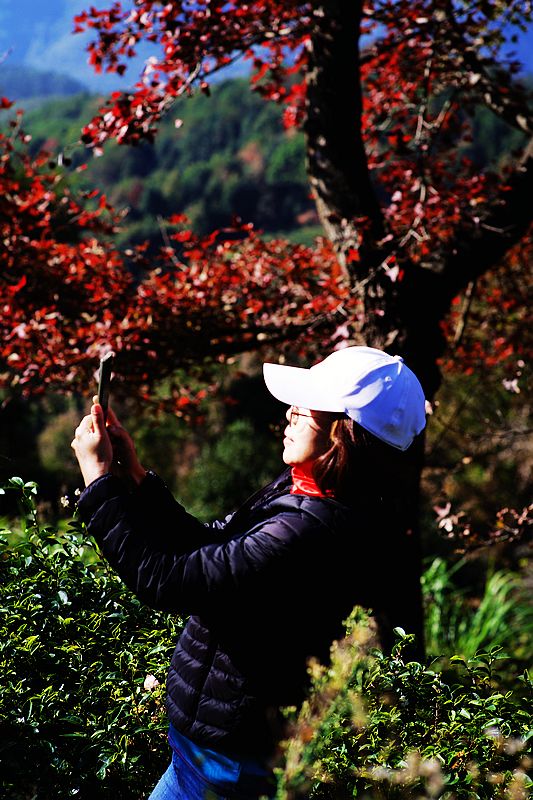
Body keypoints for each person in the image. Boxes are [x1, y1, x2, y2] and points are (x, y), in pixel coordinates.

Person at [71, 345, 426, 800]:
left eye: (308, 406)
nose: (290, 412)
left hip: (223, 768)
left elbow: (167, 580)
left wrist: (98, 481)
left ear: (345, 432)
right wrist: (134, 478)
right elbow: (213, 547)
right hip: (208, 755)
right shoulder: (312, 493)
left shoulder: (308, 531)